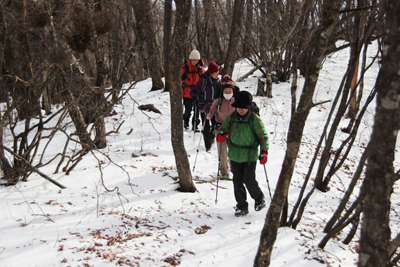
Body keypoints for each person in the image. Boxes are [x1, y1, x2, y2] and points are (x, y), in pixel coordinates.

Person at [216, 91, 269, 217]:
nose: (241, 110)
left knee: (248, 179)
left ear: (249, 107)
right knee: (237, 181)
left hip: (250, 155)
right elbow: (222, 129)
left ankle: (259, 198)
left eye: (244, 107)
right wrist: (221, 135)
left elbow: (263, 137)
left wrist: (264, 151)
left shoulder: (254, 119)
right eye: (239, 107)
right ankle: (241, 206)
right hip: (234, 155)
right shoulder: (231, 117)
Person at [206, 76, 236, 178]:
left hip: (233, 128)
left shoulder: (236, 101)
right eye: (226, 91)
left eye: (230, 91)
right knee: (222, 151)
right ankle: (224, 172)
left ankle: (234, 167)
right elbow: (211, 113)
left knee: (233, 149)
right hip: (220, 128)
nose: (228, 93)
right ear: (222, 92)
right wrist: (207, 114)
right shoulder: (218, 101)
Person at [190, 61, 221, 152]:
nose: (217, 74)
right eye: (216, 72)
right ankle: (208, 146)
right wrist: (195, 98)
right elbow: (193, 92)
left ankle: (212, 137)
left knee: (216, 125)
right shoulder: (202, 81)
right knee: (206, 126)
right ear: (211, 73)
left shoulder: (218, 82)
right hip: (204, 107)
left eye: (218, 72)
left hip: (215, 108)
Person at [181, 50, 205, 131]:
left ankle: (195, 125)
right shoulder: (184, 68)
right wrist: (182, 79)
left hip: (197, 94)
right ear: (190, 60)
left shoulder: (201, 70)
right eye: (193, 60)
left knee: (197, 111)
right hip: (187, 94)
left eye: (196, 60)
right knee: (188, 110)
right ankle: (186, 121)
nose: (194, 62)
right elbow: (179, 81)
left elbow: (206, 80)